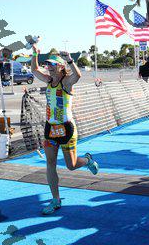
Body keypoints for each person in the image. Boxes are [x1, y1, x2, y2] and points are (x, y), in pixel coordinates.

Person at [31, 44, 99, 215]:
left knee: (71, 165)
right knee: (50, 163)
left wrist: (70, 60)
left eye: (52, 64)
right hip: (50, 128)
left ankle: (87, 160)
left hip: (67, 129)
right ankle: (56, 200)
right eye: (48, 64)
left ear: (61, 67)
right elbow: (34, 70)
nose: (49, 67)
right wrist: (34, 54)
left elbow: (77, 75)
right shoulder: (48, 80)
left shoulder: (66, 82)